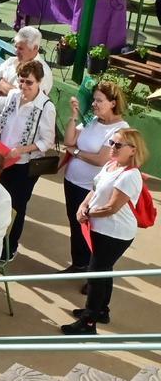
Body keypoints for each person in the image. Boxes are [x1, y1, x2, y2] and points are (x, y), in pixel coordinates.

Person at [63, 128, 147, 335]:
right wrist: (83, 206)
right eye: (112, 143)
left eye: (118, 145)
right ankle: (101, 310)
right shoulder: (111, 165)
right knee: (104, 269)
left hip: (115, 234)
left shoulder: (130, 175)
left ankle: (88, 322)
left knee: (96, 274)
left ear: (133, 150)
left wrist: (87, 214)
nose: (112, 147)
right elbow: (94, 189)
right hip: (102, 229)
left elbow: (111, 207)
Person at [59, 81, 129, 273]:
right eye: (94, 100)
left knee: (90, 231)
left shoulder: (119, 129)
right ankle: (79, 264)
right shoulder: (93, 120)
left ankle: (92, 273)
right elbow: (69, 141)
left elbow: (101, 160)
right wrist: (74, 117)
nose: (94, 104)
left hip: (91, 189)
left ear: (113, 103)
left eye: (99, 100)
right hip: (72, 182)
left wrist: (75, 153)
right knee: (75, 225)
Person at [0, 60, 56, 258]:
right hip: (3, 158)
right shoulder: (13, 95)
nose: (24, 86)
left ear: (39, 83)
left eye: (29, 83)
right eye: (21, 81)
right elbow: (2, 119)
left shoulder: (46, 107)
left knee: (16, 206)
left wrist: (22, 150)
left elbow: (47, 141)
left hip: (23, 164)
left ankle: (10, 247)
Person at [0, 26, 54, 97]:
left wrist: (1, 82)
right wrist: (11, 89)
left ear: (35, 48)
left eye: (20, 48)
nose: (16, 52)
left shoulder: (43, 72)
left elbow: (26, 98)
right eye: (16, 47)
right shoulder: (11, 60)